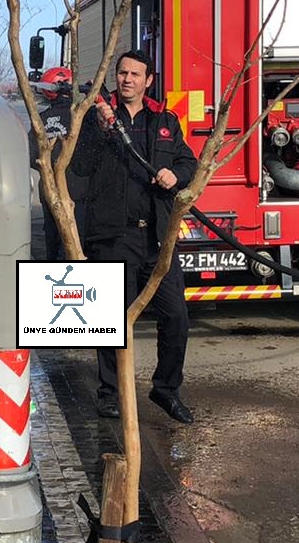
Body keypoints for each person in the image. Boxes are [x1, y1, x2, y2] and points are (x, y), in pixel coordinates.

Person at [72, 50, 198, 424]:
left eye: (135, 74)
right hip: (113, 236)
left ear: (148, 81)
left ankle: (166, 389)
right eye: (122, 73)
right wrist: (96, 128)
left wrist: (177, 176)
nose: (127, 79)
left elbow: (188, 162)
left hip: (157, 238)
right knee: (110, 321)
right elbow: (79, 166)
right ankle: (110, 393)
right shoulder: (97, 120)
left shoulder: (165, 121)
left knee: (176, 317)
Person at [28, 67, 82, 260]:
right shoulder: (80, 116)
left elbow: (31, 154)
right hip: (77, 193)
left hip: (49, 192)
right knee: (74, 243)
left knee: (54, 242)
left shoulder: (41, 119)